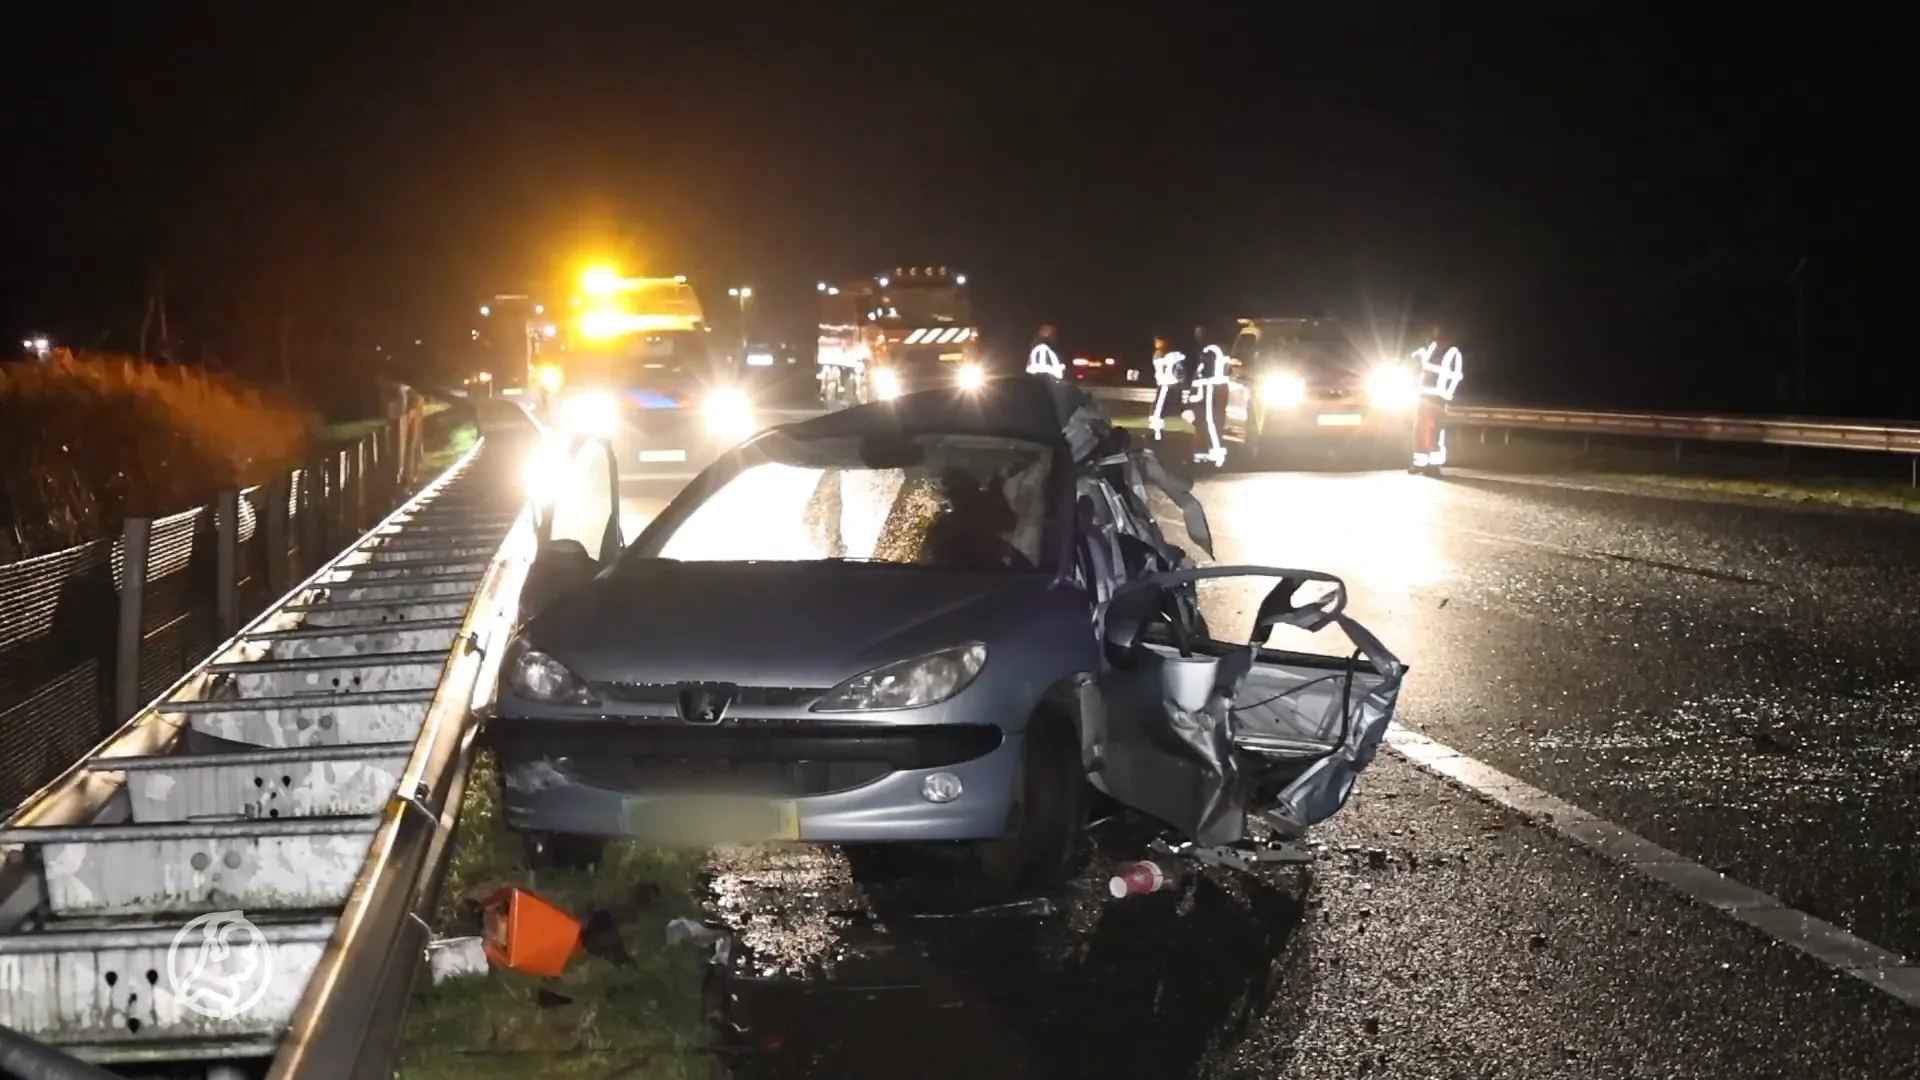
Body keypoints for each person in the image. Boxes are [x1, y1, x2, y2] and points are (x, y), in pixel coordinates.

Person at [1187, 324, 1229, 467]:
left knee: (1211, 422)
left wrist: (1194, 391)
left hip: (1210, 389)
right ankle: (1204, 454)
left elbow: (1203, 373)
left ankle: (1215, 454)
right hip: (1217, 389)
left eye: (1199, 334)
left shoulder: (1209, 351)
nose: (1197, 337)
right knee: (1211, 422)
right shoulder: (1221, 349)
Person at [1147, 336, 1183, 440]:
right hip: (1166, 384)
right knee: (1158, 409)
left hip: (1165, 384)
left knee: (1157, 409)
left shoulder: (1162, 355)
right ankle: (1157, 432)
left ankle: (1156, 434)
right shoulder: (1172, 355)